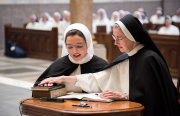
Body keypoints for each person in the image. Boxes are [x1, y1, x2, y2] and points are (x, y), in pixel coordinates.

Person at [39, 15, 180, 116]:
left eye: (119, 38)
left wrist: (123, 95)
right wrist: (63, 78)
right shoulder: (128, 56)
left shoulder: (149, 59)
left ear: (132, 36)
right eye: (114, 37)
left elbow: (155, 98)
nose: (115, 42)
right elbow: (97, 79)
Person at [35, 23, 108, 93]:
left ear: (87, 44)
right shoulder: (60, 63)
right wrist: (49, 85)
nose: (74, 51)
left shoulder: (101, 64)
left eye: (79, 46)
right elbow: (38, 86)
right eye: (70, 47)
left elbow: (108, 87)